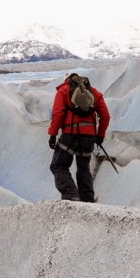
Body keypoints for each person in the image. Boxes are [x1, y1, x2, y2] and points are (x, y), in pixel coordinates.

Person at [47, 73, 111, 202]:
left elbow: (58, 114)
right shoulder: (94, 93)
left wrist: (52, 134)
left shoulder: (63, 91)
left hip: (70, 134)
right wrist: (100, 136)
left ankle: (71, 195)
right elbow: (105, 116)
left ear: (67, 81)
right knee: (83, 167)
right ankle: (87, 200)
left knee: (58, 165)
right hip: (89, 136)